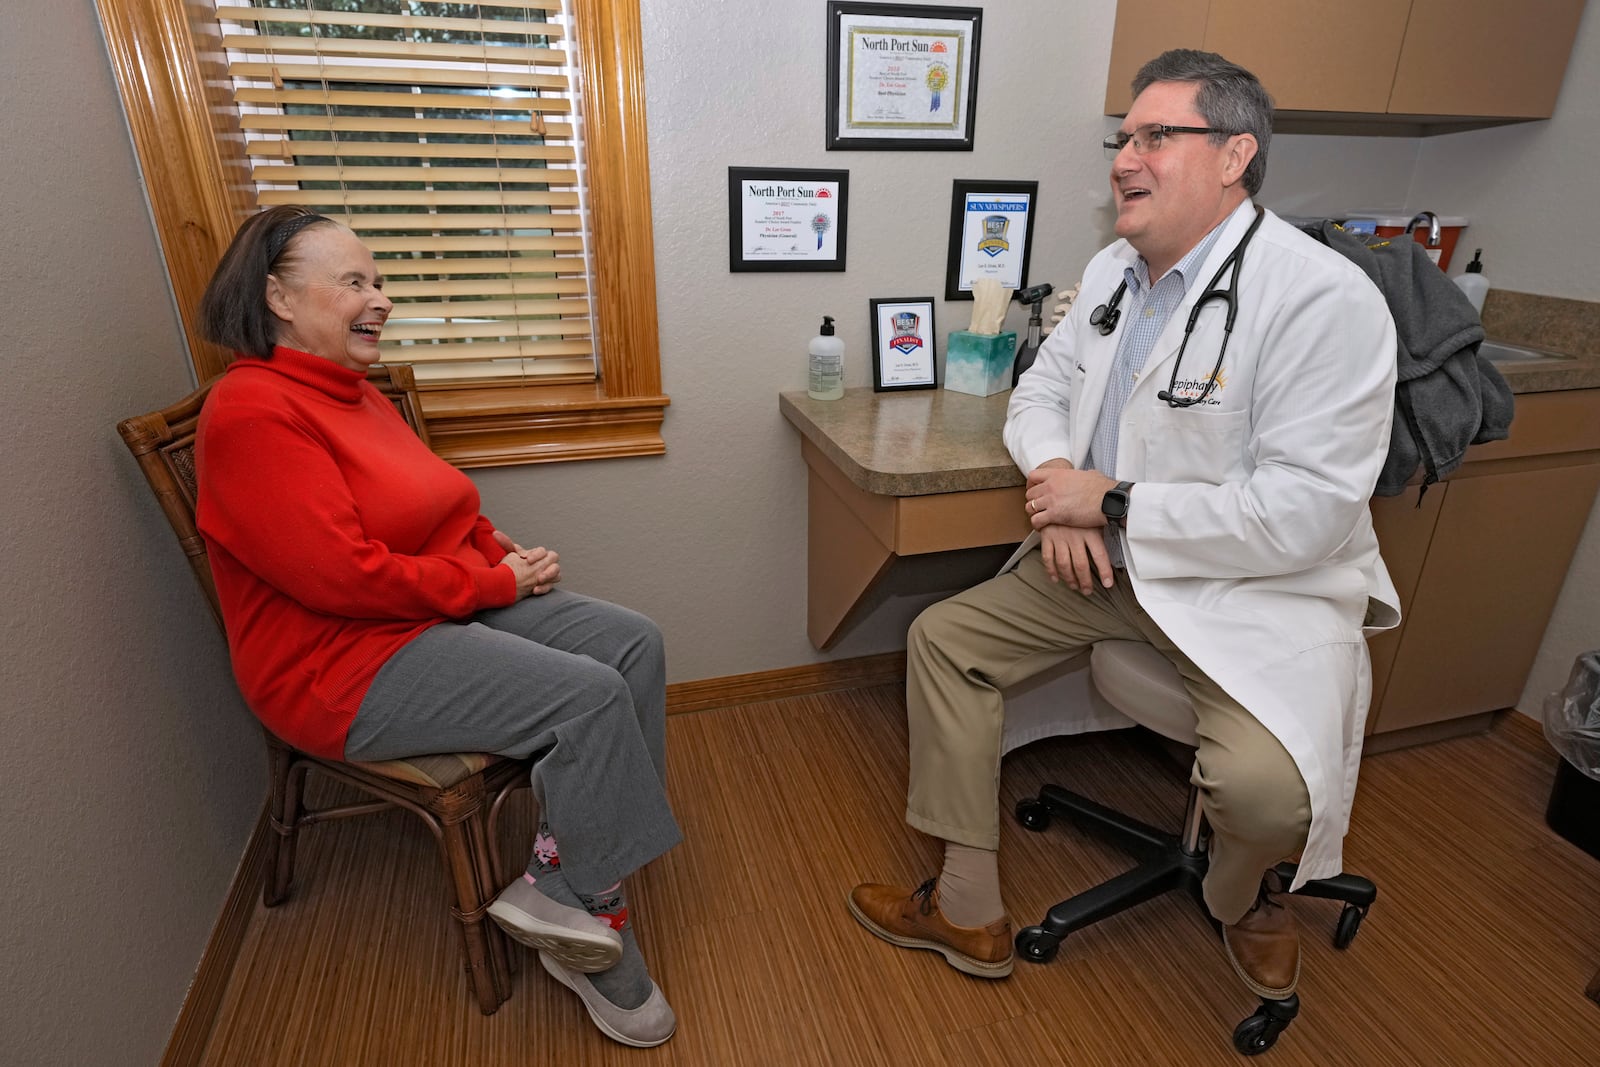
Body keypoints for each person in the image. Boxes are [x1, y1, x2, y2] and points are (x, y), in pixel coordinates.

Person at [849, 49, 1401, 1003]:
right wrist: (1060, 476)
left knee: (1267, 796)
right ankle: (969, 907)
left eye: (1156, 136)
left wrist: (1108, 503)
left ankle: (1247, 896)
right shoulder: (1115, 268)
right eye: (1123, 138)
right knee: (944, 639)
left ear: (1235, 155)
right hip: (1107, 567)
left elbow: (1304, 512)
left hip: (1248, 591)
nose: (1124, 158)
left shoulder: (1322, 298)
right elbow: (1042, 391)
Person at [194, 206, 680, 1048]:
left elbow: (439, 502)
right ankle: (596, 922)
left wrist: (501, 554)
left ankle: (561, 880)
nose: (379, 298)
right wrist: (490, 580)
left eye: (378, 280)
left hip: (419, 608)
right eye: (355, 281)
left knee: (632, 641)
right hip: (339, 663)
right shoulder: (252, 415)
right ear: (277, 295)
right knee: (590, 698)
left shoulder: (351, 386)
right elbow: (341, 577)